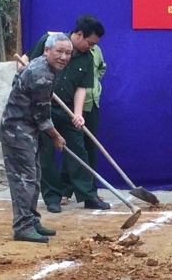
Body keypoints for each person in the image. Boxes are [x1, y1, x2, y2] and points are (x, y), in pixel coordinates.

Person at [28, 15, 110, 212]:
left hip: (66, 108)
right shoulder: (51, 42)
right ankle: (52, 199)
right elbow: (25, 62)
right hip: (43, 107)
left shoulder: (87, 57)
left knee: (78, 150)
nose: (91, 47)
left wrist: (78, 113)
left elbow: (82, 87)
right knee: (46, 153)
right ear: (79, 35)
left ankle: (88, 195)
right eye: (89, 42)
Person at [1, 34, 73, 242]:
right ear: (46, 51)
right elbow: (42, 116)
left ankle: (31, 220)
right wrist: (57, 137)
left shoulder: (44, 67)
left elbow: (18, 81)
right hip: (17, 132)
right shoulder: (41, 74)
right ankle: (22, 226)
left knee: (33, 178)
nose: (63, 57)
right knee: (24, 180)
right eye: (59, 51)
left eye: (67, 53)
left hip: (27, 131)